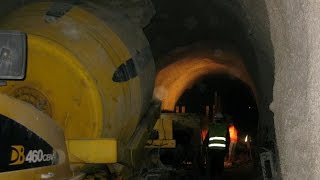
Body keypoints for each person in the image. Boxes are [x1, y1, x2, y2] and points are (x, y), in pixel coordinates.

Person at [206, 113, 229, 180]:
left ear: (215, 119)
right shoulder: (225, 128)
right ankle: (219, 177)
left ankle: (212, 178)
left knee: (212, 168)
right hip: (221, 151)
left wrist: (204, 148)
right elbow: (228, 141)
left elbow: (207, 139)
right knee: (220, 167)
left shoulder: (211, 127)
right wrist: (226, 150)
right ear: (222, 120)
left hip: (212, 151)